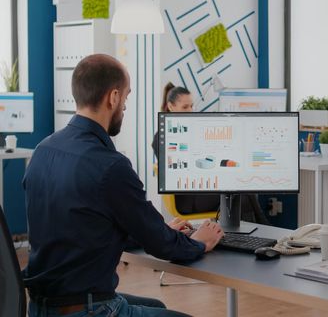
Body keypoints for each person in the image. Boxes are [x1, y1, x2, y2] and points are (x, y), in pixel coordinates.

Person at [22, 54, 224, 317]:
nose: (125, 107)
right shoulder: (110, 166)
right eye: (126, 97)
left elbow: (86, 226)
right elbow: (162, 247)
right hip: (89, 309)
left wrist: (158, 229)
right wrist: (200, 243)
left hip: (40, 307)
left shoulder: (43, 150)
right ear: (113, 97)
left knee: (157, 307)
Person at [152, 84, 269, 225]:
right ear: (170, 107)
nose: (190, 111)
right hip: (188, 199)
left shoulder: (187, 131)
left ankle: (253, 230)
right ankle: (258, 229)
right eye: (185, 107)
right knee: (240, 191)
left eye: (191, 106)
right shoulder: (163, 136)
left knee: (241, 184)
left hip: (199, 188)